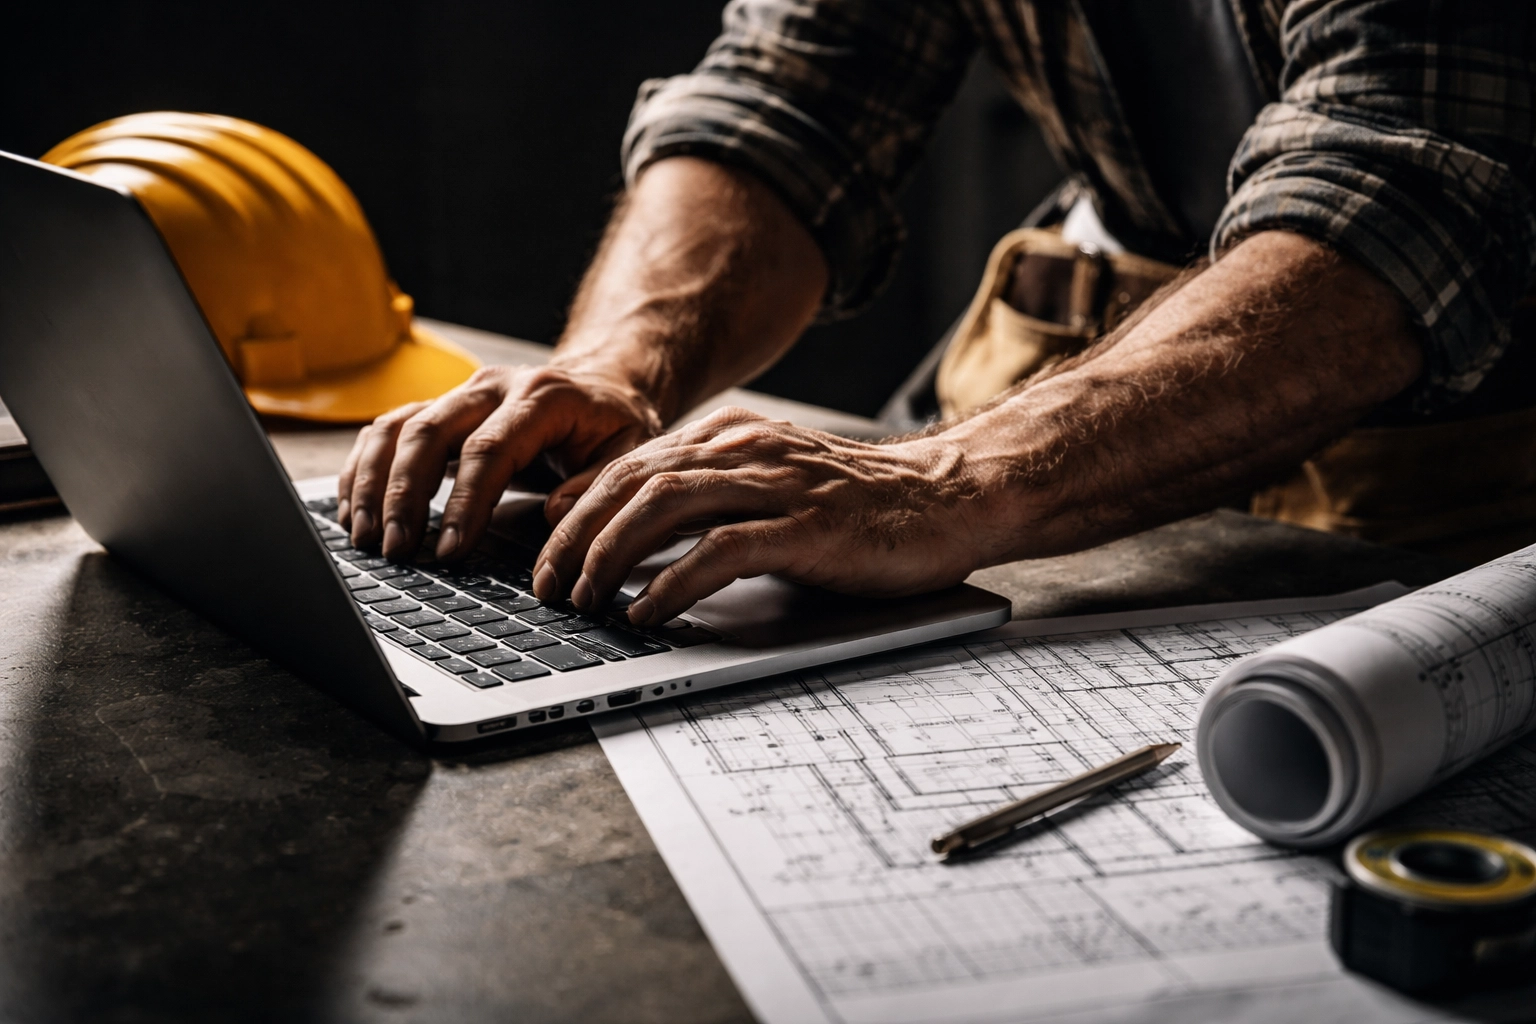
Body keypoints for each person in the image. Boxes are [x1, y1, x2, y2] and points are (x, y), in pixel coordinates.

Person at [338, 0, 1534, 629]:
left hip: (1467, 443)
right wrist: (618, 367)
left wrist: (942, 485)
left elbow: (1403, 190)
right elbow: (789, 97)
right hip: (1113, 352)